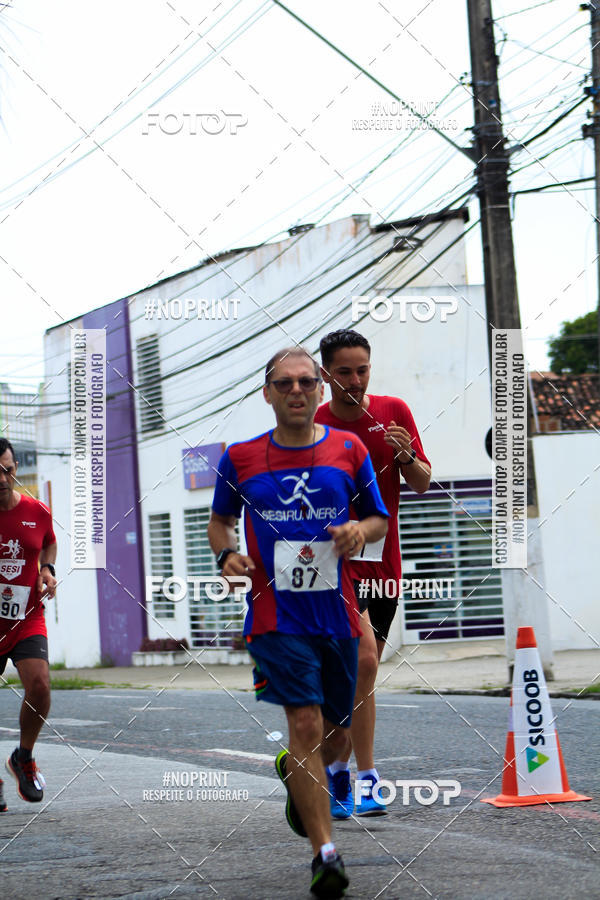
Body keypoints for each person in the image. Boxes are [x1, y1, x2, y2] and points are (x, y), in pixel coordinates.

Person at [208, 346, 388, 899]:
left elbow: (378, 518)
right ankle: (325, 854)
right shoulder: (240, 458)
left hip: (335, 614)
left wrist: (359, 531)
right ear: (267, 393)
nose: (296, 391)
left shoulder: (348, 448)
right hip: (274, 617)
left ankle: (295, 770)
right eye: (284, 383)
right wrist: (227, 555)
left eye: (306, 382)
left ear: (319, 390)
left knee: (334, 739)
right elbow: (219, 522)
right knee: (306, 725)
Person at [315, 329, 431, 818]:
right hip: (332, 564)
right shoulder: (315, 422)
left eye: (362, 370)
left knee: (361, 676)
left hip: (383, 564)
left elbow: (422, 482)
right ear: (326, 374)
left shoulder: (393, 411)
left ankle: (339, 772)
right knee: (362, 661)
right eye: (344, 372)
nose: (355, 380)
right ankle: (362, 777)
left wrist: (406, 455)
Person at [0, 438, 57, 810]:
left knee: (40, 685)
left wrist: (47, 569)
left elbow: (49, 542)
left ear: (15, 468)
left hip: (26, 615)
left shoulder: (37, 511)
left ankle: (23, 756)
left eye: (7, 470)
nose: (2, 479)